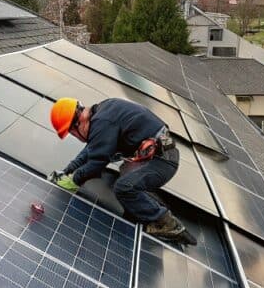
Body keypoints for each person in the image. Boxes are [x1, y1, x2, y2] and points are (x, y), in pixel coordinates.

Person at [48, 97, 197, 245]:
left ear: (78, 122)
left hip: (163, 161)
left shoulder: (102, 122)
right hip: (154, 158)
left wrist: (74, 181)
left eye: (72, 133)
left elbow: (96, 163)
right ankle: (143, 209)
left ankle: (167, 224)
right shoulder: (101, 111)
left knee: (123, 187)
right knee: (126, 177)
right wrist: (67, 170)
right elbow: (90, 150)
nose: (76, 137)